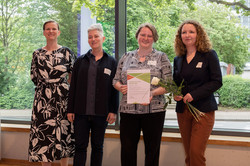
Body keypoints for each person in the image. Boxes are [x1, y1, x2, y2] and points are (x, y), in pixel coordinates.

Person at [113, 23, 172, 166]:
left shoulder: (161, 57)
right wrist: (121, 87)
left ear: (154, 38)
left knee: (152, 150)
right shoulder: (126, 56)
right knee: (127, 150)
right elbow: (115, 80)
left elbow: (169, 84)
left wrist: (152, 92)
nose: (145, 38)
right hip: (128, 111)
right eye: (143, 35)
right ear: (137, 37)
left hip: (154, 111)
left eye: (149, 35)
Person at [67, 23, 119, 166]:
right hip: (80, 113)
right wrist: (70, 109)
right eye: (90, 37)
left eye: (96, 36)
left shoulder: (111, 62)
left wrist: (113, 111)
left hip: (101, 113)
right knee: (80, 147)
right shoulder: (79, 61)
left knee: (98, 147)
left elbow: (114, 89)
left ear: (103, 38)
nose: (93, 39)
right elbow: (73, 87)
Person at [173, 20, 223, 166]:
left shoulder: (209, 55)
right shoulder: (178, 59)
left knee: (196, 152)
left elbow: (217, 81)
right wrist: (175, 93)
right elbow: (176, 83)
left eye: (191, 32)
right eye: (184, 32)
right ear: (180, 36)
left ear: (198, 34)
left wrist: (194, 94)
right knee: (189, 154)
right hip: (183, 111)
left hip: (203, 111)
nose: (187, 35)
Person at [28, 20, 75, 166]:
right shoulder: (37, 53)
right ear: (44, 33)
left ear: (58, 32)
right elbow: (34, 77)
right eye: (48, 29)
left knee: (64, 133)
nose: (51, 31)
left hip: (63, 98)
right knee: (44, 135)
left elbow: (73, 77)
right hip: (42, 99)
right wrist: (47, 88)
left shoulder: (67, 52)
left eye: (54, 29)